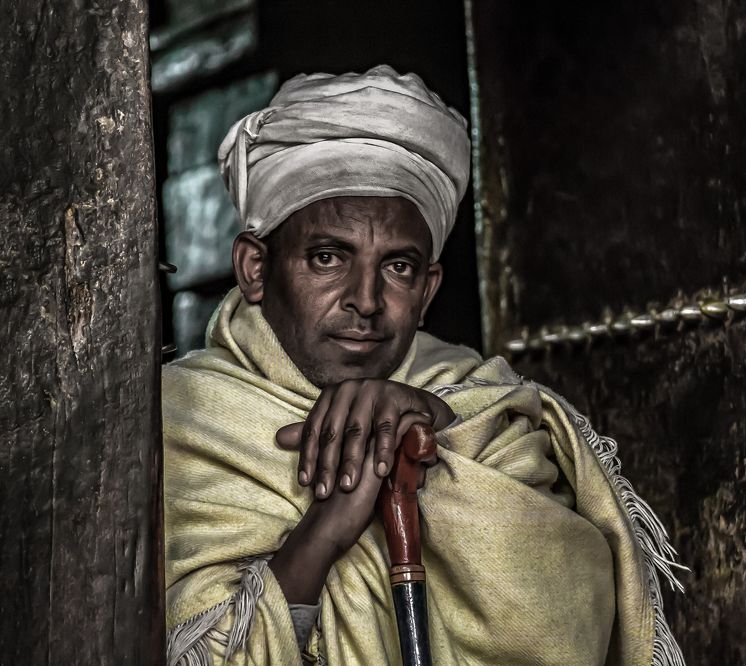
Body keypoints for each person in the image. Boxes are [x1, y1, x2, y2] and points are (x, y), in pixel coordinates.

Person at [162, 65, 684, 665]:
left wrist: (438, 429)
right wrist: (326, 531)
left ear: (428, 288)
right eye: (328, 257)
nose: (365, 299)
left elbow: (570, 620)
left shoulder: (481, 408)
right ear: (256, 268)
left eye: (398, 267)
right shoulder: (182, 423)